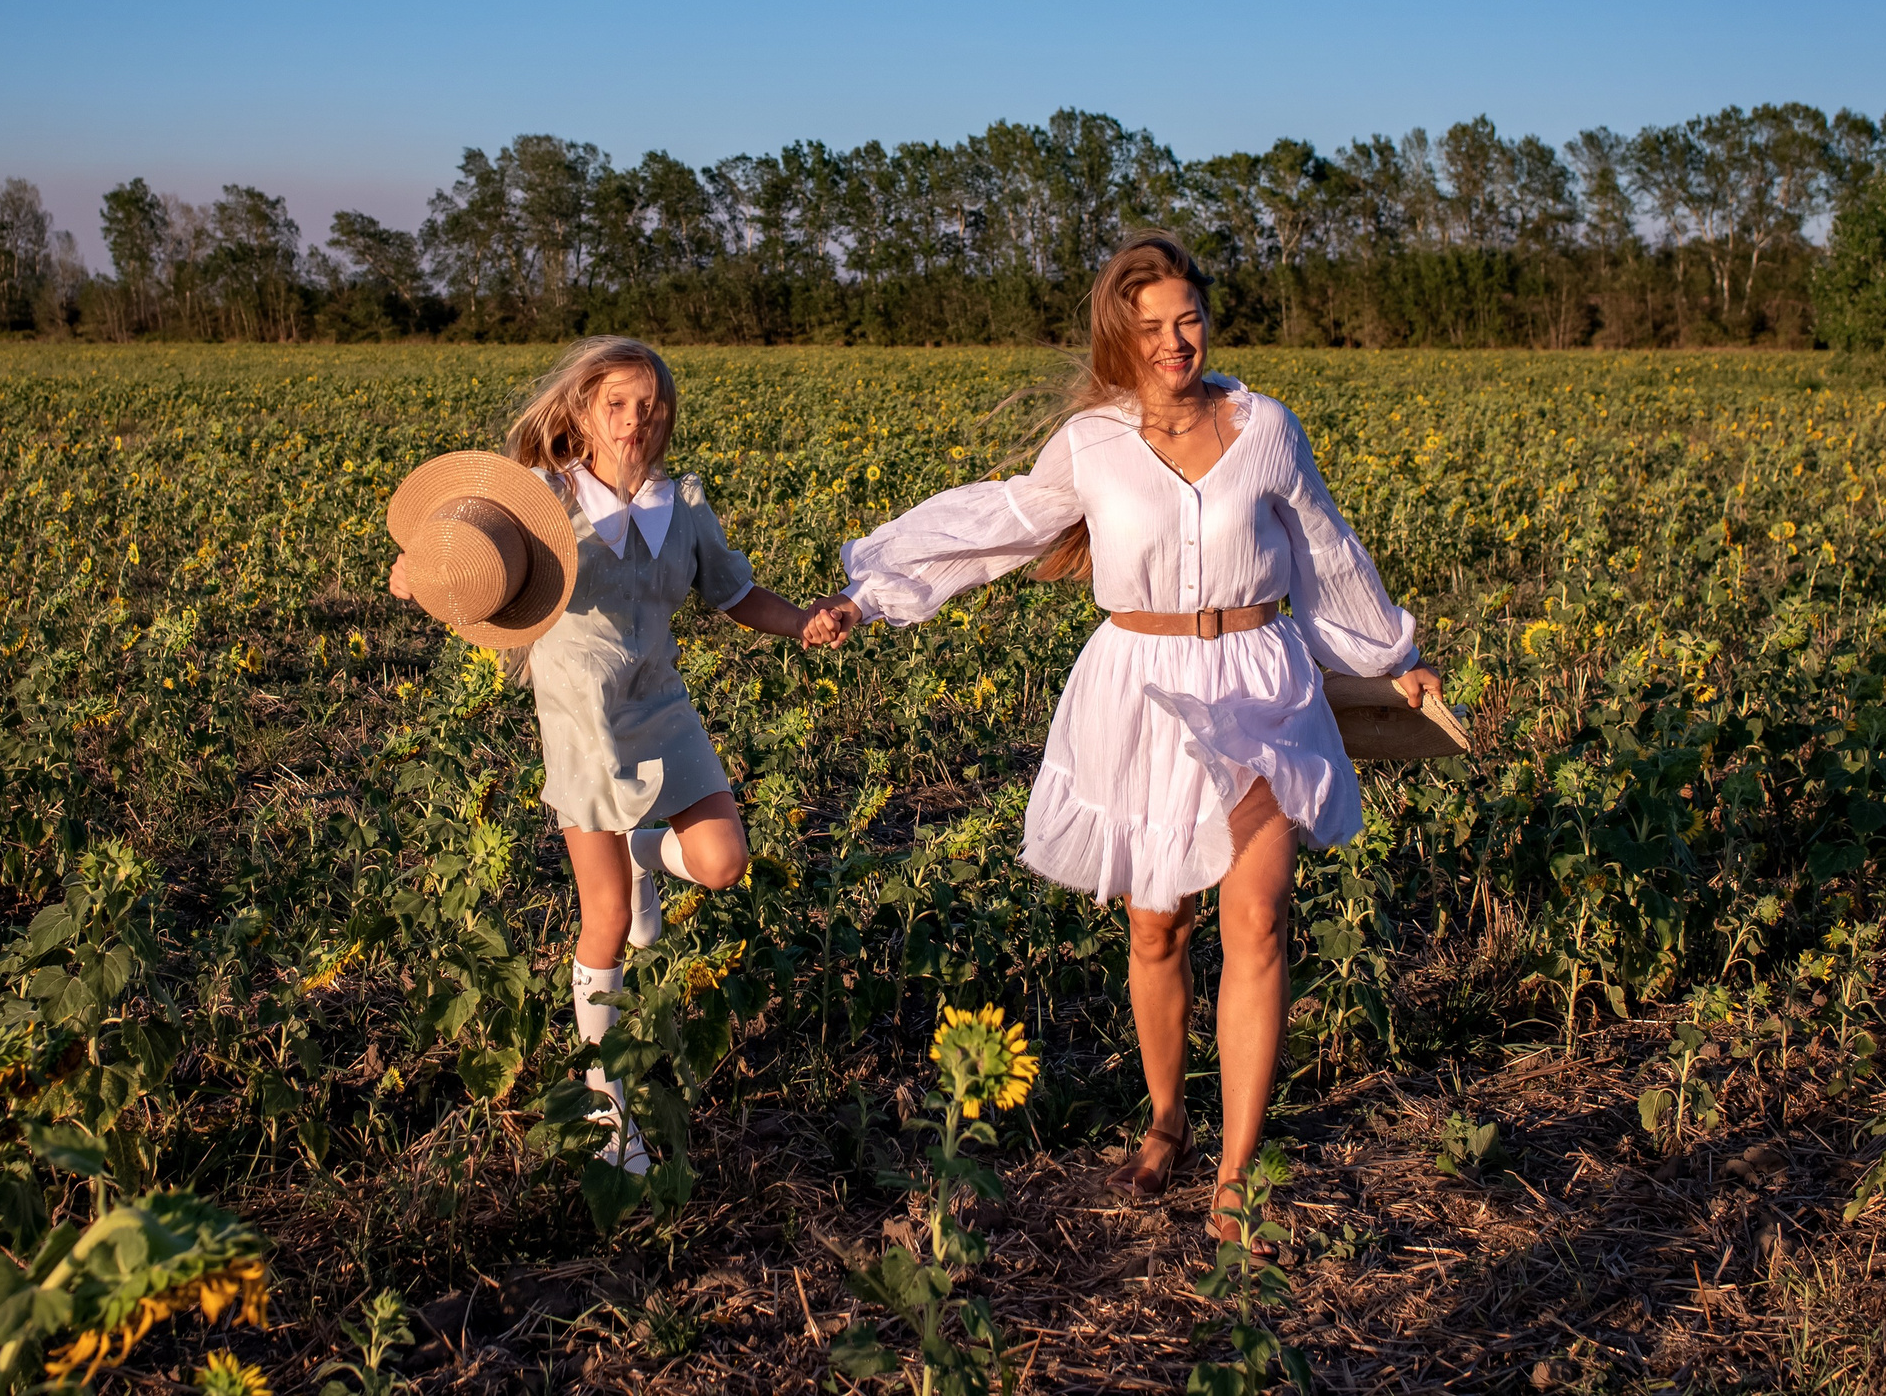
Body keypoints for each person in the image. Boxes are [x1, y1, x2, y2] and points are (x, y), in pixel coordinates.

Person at [812, 232, 1438, 1243]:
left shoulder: (1266, 426)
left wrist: (1391, 651)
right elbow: (1000, 523)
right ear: (1119, 333)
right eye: (1148, 325)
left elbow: (1324, 547)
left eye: (1186, 317)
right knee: (1158, 927)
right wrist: (870, 595)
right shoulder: (1091, 442)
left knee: (1261, 917)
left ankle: (1235, 1169)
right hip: (1140, 688)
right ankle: (1165, 1119)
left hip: (1261, 678)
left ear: (1206, 320)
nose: (1172, 340)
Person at [389, 337, 854, 1174]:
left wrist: (805, 623)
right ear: (580, 412)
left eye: (651, 407)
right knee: (604, 919)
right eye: (617, 405)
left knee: (721, 862)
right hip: (580, 720)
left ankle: (649, 849)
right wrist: (419, 571)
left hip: (659, 705)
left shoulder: (686, 505)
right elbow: (460, 550)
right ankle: (610, 1117)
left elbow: (735, 592)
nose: (636, 422)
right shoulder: (541, 502)